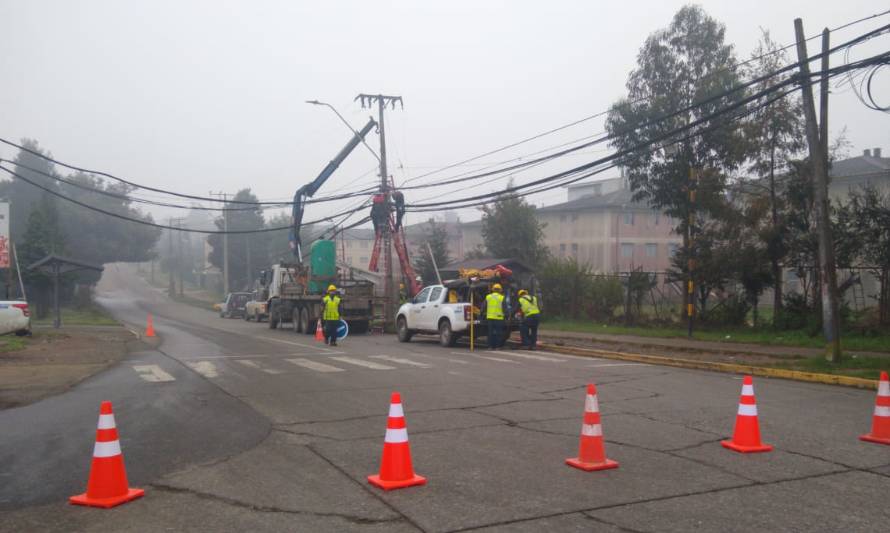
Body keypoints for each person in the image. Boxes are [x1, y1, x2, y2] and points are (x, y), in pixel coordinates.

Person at [483, 283, 506, 350]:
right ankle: (498, 347)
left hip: (490, 318)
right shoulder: (502, 297)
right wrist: (507, 315)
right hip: (499, 318)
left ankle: (490, 346)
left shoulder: (488, 296)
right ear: (500, 290)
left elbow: (484, 306)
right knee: (499, 333)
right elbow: (504, 308)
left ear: (493, 290)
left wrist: (481, 314)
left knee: (490, 332)